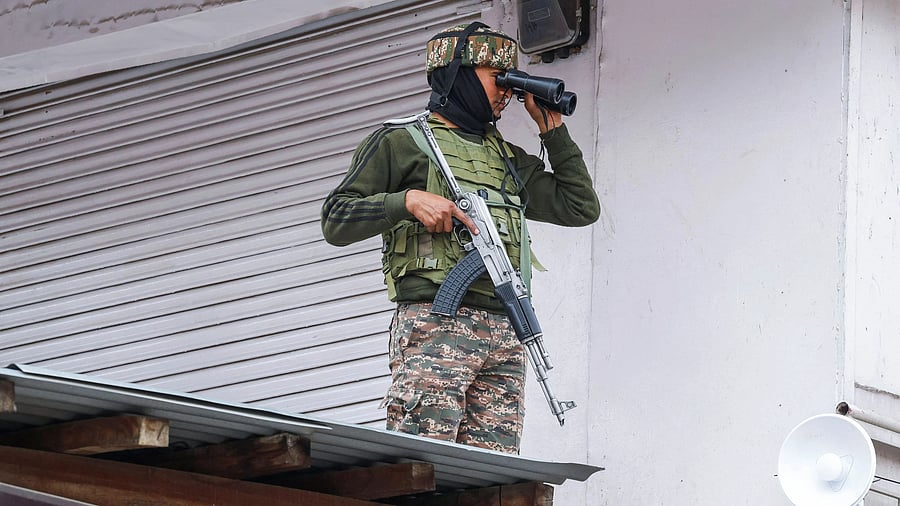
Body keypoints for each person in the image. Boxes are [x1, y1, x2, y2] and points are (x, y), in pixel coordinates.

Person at [320, 22, 600, 454]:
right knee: (424, 461)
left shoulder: (504, 157)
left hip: (506, 329)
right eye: (497, 78)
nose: (506, 92)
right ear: (460, 76)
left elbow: (579, 207)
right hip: (437, 323)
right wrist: (407, 201)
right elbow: (336, 219)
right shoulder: (401, 142)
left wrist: (552, 130)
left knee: (494, 475)